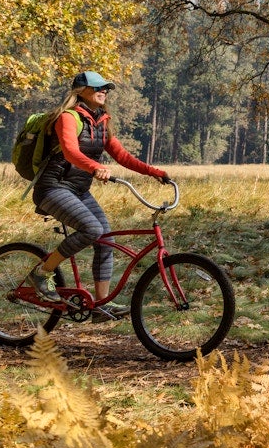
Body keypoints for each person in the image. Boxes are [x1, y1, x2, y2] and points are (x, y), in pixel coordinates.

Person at [24, 71, 170, 320]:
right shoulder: (68, 118)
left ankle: (100, 306)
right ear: (81, 90)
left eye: (106, 88)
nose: (104, 90)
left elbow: (122, 156)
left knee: (105, 239)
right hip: (53, 188)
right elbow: (70, 152)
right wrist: (94, 167)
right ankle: (41, 272)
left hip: (78, 190)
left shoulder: (101, 122)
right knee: (92, 229)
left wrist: (154, 172)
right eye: (98, 87)